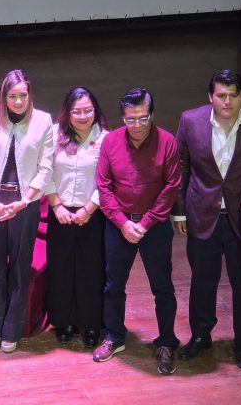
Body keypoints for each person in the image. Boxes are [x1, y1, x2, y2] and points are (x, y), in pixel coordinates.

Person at [172, 70, 241, 369]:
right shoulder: (190, 120)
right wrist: (179, 210)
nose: (227, 102)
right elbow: (180, 168)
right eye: (221, 96)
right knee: (202, 281)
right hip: (203, 215)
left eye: (233, 96)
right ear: (210, 97)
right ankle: (201, 336)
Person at [93, 87, 181, 375]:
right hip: (119, 224)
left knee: (163, 287)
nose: (137, 125)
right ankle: (114, 336)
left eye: (143, 118)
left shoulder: (167, 142)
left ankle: (167, 342)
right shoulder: (110, 142)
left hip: (153, 226)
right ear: (123, 118)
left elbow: (171, 188)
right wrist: (122, 222)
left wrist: (144, 223)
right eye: (131, 119)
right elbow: (104, 187)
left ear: (152, 114)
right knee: (113, 285)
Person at [0, 69, 53, 353]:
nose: (19, 101)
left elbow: (45, 167)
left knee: (20, 267)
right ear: (3, 97)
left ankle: (12, 328)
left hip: (25, 205)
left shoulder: (43, 120)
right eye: (13, 96)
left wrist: (24, 202)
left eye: (23, 95)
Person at [42, 87, 109, 347]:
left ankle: (90, 323)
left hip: (92, 213)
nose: (82, 116)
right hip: (59, 211)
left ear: (96, 111)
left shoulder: (106, 139)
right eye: (77, 111)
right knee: (60, 269)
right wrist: (56, 205)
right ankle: (62, 321)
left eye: (87, 110)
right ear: (67, 113)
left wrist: (88, 210)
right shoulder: (55, 136)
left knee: (90, 270)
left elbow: (108, 180)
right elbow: (45, 171)